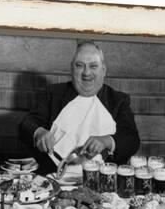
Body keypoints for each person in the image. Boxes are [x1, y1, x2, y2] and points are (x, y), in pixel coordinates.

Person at [19, 40, 140, 173]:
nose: (86, 73)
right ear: (72, 69)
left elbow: (132, 140)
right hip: (54, 176)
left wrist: (106, 141)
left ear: (103, 70)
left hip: (102, 178)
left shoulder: (118, 100)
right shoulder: (53, 93)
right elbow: (27, 124)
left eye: (93, 66)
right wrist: (39, 132)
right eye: (79, 66)